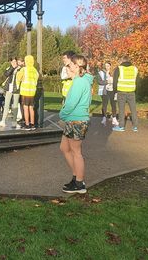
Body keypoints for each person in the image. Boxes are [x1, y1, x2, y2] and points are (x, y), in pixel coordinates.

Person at [59, 55, 93, 194]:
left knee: (76, 152)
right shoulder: (81, 80)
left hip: (77, 120)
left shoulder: (79, 82)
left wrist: (61, 115)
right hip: (73, 120)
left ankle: (79, 183)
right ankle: (76, 177)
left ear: (77, 67)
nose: (69, 66)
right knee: (64, 148)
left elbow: (71, 103)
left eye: (72, 64)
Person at [112, 56, 138, 132]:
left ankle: (121, 126)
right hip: (131, 91)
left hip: (121, 91)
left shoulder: (119, 68)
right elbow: (137, 81)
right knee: (133, 109)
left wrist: (115, 91)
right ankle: (135, 126)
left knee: (121, 109)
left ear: (122, 61)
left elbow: (115, 81)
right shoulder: (135, 69)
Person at [0, 57, 22, 128]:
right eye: (12, 61)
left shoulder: (20, 68)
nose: (13, 63)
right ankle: (3, 121)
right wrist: (12, 68)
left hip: (16, 89)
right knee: (6, 104)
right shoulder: (9, 68)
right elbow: (6, 74)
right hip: (9, 88)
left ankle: (14, 122)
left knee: (15, 105)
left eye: (14, 61)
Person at [17, 55, 39, 130]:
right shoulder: (35, 70)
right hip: (32, 92)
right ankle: (32, 124)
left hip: (25, 92)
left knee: (25, 108)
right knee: (31, 108)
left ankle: (27, 124)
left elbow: (18, 78)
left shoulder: (24, 69)